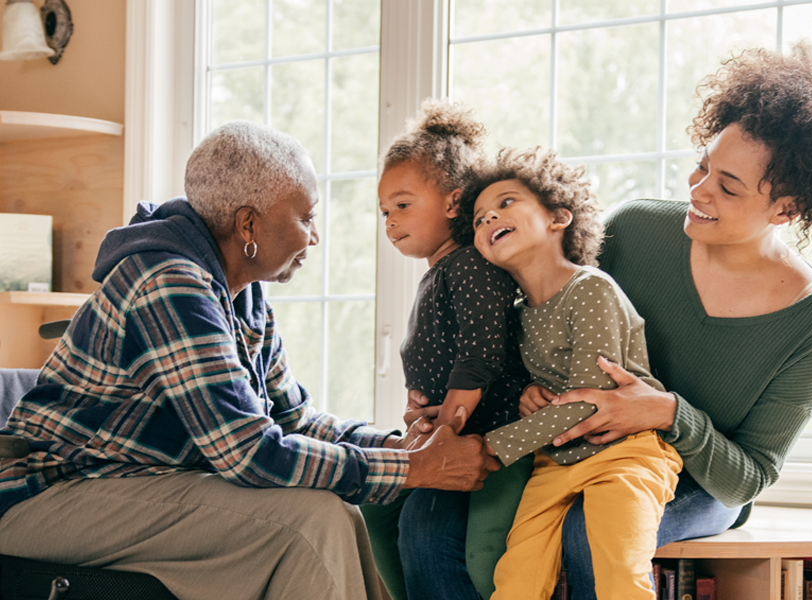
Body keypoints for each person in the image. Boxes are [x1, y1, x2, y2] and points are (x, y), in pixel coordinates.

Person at [405, 42, 812, 599]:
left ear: (786, 208)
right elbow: (543, 318)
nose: (698, 188)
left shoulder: (811, 319)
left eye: (728, 186)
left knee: (588, 533)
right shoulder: (635, 231)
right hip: (570, 445)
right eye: (703, 164)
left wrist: (664, 411)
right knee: (430, 517)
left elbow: (750, 475)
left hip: (694, 480)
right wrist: (521, 392)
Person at [0, 120, 500, 600]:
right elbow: (247, 452)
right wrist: (412, 469)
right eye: (305, 217)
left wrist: (398, 445)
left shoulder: (242, 294)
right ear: (248, 224)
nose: (313, 236)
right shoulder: (168, 282)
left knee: (332, 511)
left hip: (130, 482)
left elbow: (293, 419)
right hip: (47, 497)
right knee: (310, 523)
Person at [462, 147, 681, 599]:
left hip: (626, 454)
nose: (488, 219)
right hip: (554, 463)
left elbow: (587, 401)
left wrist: (488, 448)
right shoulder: (518, 312)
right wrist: (530, 392)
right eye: (479, 217)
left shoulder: (590, 288)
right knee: (515, 581)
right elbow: (551, 385)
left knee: (620, 574)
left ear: (558, 218)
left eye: (505, 203)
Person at [361, 98, 532, 600]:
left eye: (403, 204)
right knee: (393, 518)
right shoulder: (440, 272)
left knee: (426, 530)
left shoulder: (470, 266)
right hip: (448, 430)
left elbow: (480, 354)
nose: (390, 221)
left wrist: (446, 428)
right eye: (385, 211)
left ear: (455, 202)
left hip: (483, 434)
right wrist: (419, 410)